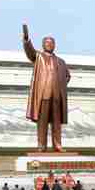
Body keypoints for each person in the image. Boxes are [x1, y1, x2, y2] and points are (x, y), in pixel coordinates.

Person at [22, 23, 70, 152]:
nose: (49, 45)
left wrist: (59, 86)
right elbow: (30, 51)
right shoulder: (38, 57)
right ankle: (41, 145)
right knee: (42, 123)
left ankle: (57, 145)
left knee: (56, 123)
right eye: (47, 43)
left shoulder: (61, 61)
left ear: (54, 45)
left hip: (57, 96)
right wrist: (26, 39)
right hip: (44, 94)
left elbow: (67, 76)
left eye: (51, 43)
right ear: (43, 45)